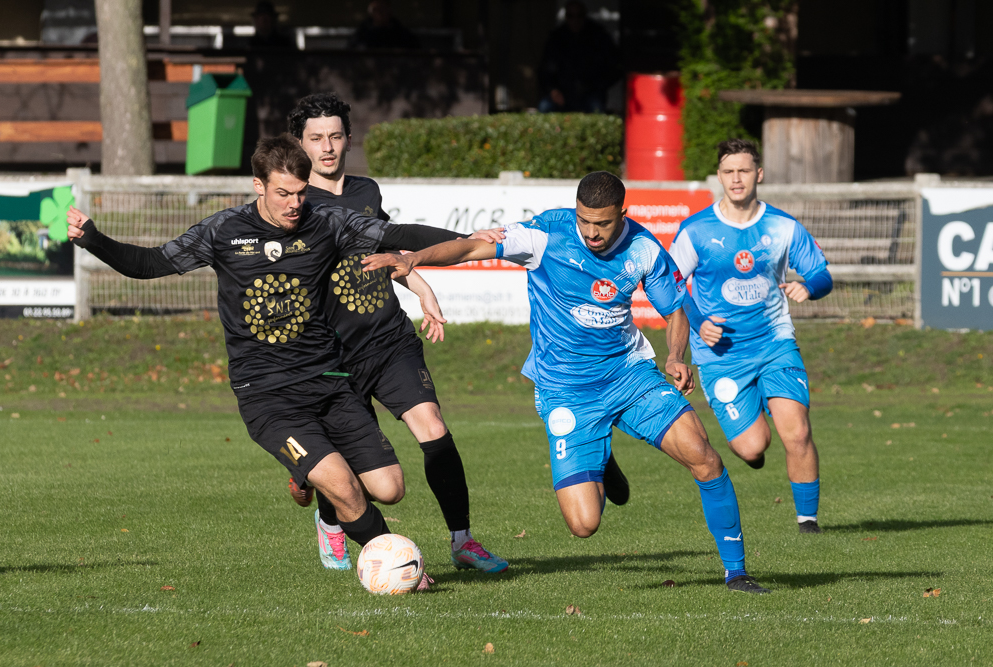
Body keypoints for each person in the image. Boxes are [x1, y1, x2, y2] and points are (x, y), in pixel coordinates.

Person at [63, 135, 465, 577]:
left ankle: (309, 474)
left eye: (301, 192)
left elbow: (396, 235)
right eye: (283, 193)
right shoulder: (223, 231)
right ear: (259, 185)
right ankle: (397, 567)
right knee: (346, 490)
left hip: (330, 382)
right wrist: (93, 238)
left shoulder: (326, 221)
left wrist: (470, 241)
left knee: (389, 488)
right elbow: (150, 263)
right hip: (268, 395)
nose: (295, 204)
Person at [363, 171, 771, 594]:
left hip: (629, 376)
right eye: (584, 221)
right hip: (566, 391)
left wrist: (674, 356)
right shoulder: (545, 234)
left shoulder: (644, 248)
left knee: (705, 458)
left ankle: (737, 572)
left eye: (603, 223)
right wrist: (416, 259)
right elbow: (470, 247)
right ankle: (602, 459)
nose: (592, 233)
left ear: (623, 214)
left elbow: (675, 313)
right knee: (583, 524)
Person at [286, 92, 508, 574]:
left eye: (335, 136)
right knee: (352, 464)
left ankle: (463, 541)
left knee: (433, 426)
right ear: (300, 144)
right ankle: (330, 519)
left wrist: (421, 286)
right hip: (332, 355)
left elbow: (388, 248)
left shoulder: (367, 191)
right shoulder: (295, 205)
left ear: (349, 139)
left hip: (387, 339)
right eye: (316, 138)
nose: (327, 147)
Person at [668, 138, 832, 534]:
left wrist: (809, 287)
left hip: (775, 343)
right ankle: (753, 430)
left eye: (743, 170)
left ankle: (808, 522)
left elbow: (821, 273)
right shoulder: (696, 230)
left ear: (759, 174)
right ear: (719, 176)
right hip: (720, 355)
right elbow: (670, 285)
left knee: (797, 430)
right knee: (752, 446)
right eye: (729, 171)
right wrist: (698, 319)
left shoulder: (782, 226)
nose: (736, 178)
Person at [538, 1, 620, 113]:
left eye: (579, 15)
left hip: (590, 93)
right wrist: (553, 90)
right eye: (570, 16)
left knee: (596, 108)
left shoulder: (598, 36)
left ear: (584, 16)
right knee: (544, 107)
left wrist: (598, 87)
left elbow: (615, 65)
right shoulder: (556, 38)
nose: (575, 20)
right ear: (566, 17)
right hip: (562, 93)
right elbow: (544, 70)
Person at [349, 0, 419, 50]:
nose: (379, 14)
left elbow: (413, 47)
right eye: (375, 10)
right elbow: (353, 47)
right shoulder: (363, 31)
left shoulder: (399, 31)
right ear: (371, 12)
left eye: (382, 9)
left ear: (389, 11)